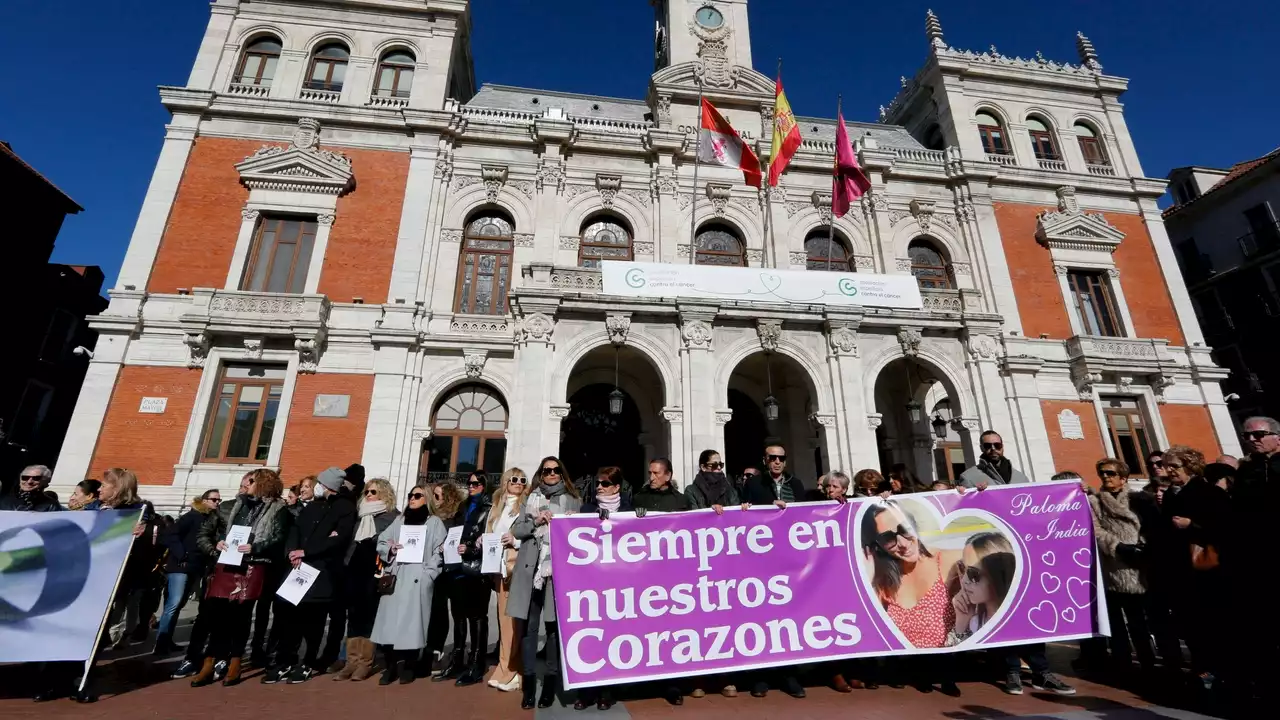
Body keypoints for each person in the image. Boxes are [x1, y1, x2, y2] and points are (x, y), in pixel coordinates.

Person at [190, 469, 288, 687]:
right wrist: (216, 547)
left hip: (254, 565)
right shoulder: (230, 506)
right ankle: (210, 660)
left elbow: (278, 537)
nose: (246, 485)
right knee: (216, 614)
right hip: (226, 563)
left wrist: (256, 547)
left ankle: (235, 661)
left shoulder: (278, 509)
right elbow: (204, 534)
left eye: (251, 481)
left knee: (241, 616)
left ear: (263, 484)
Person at [267, 466, 356, 684]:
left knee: (314, 621)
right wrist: (292, 552)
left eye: (320, 483)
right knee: (289, 619)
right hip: (297, 567)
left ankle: (307, 663)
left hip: (321, 572)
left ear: (327, 486)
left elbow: (338, 539)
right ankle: (286, 660)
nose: (316, 487)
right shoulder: (312, 506)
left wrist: (307, 551)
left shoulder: (345, 507)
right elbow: (295, 530)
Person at [993, 472, 1076, 696]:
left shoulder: (1036, 512)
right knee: (1008, 625)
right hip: (1004, 579)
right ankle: (1012, 671)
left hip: (1033, 577)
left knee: (1035, 625)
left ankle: (1042, 673)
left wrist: (1079, 494)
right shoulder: (995, 524)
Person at [511, 456, 582, 710]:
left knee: (553, 628)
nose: (551, 474)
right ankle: (529, 684)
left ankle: (550, 684)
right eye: (546, 470)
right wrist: (536, 521)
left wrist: (572, 522)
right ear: (540, 475)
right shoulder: (530, 499)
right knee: (530, 628)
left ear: (562, 473)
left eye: (555, 470)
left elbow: (582, 534)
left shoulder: (573, 500)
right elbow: (517, 530)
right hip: (531, 571)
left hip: (557, 572)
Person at [1158, 445, 1228, 687]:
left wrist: (1192, 525)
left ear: (1190, 466)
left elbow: (1225, 529)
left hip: (1204, 570)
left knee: (1210, 622)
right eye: (1166, 466)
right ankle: (1201, 668)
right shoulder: (1170, 493)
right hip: (1179, 570)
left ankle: (1216, 671)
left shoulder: (1209, 493)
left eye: (1174, 466)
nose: (1168, 471)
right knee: (1189, 624)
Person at [740, 444, 805, 699]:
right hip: (761, 558)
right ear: (765, 460)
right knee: (762, 618)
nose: (777, 462)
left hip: (790, 558)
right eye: (772, 458)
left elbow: (809, 511)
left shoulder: (796, 484)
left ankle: (789, 676)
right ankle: (760, 676)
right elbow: (744, 510)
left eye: (781, 458)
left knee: (789, 618)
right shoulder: (754, 484)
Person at [371, 483, 448, 685]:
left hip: (417, 578)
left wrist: (428, 575)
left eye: (418, 495)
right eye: (410, 495)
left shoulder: (434, 523)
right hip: (397, 575)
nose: (412, 498)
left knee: (413, 625)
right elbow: (382, 540)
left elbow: (439, 551)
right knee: (389, 623)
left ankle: (409, 666)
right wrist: (390, 548)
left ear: (427, 499)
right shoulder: (400, 520)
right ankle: (390, 666)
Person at [1085, 458, 1155, 674]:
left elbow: (1152, 526)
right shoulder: (1095, 502)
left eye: (1110, 473)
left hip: (1139, 567)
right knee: (1115, 623)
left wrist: (1142, 546)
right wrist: (1118, 546)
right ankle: (1122, 663)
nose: (1106, 477)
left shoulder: (1140, 499)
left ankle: (1148, 663)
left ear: (1123, 478)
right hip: (1112, 567)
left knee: (1139, 622)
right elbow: (1095, 530)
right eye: (1102, 473)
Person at [573, 466, 634, 711]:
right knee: (590, 635)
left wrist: (642, 518)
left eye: (606, 483)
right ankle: (586, 690)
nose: (600, 487)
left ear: (617, 487)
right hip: (592, 583)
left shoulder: (629, 511)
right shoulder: (586, 510)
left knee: (614, 637)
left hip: (619, 583)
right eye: (598, 483)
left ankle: (608, 690)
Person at [333, 478, 399, 681]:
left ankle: (365, 662)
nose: (369, 495)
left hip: (375, 571)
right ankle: (351, 661)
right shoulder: (360, 514)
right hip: (353, 568)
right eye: (367, 492)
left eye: (374, 492)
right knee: (353, 615)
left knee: (369, 616)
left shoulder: (392, 517)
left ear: (384, 494)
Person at [154, 488, 220, 655]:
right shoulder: (191, 516)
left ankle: (168, 640)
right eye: (214, 499)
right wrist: (182, 555)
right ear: (204, 500)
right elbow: (170, 535)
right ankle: (161, 643)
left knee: (180, 603)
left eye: (218, 500)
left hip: (195, 567)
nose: (217, 503)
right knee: (173, 604)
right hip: (180, 566)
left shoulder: (211, 520)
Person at [97, 468, 157, 649]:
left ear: (117, 488)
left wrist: (142, 532)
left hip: (124, 574)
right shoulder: (94, 508)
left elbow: (148, 542)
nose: (99, 489)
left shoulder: (138, 511)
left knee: (118, 610)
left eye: (103, 485)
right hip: (96, 573)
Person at [487, 468, 531, 692]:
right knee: (504, 623)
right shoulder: (497, 508)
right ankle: (505, 668)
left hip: (517, 570)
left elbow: (534, 537)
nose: (519, 483)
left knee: (515, 624)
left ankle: (514, 671)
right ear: (505, 482)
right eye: (514, 479)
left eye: (523, 480)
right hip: (499, 570)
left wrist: (515, 541)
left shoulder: (525, 508)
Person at [451, 471, 494, 686]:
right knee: (459, 614)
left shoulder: (489, 509)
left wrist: (470, 550)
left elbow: (489, 541)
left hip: (477, 569)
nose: (471, 486)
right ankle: (457, 659)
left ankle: (477, 664)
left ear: (485, 485)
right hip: (458, 567)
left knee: (477, 616)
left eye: (476, 483)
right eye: (469, 483)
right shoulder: (463, 507)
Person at [425, 482, 465, 675]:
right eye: (434, 495)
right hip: (437, 569)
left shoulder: (457, 516)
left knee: (458, 611)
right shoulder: (430, 517)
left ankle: (458, 652)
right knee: (437, 609)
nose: (435, 499)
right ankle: (435, 648)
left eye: (438, 496)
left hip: (454, 568)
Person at [949, 532, 1015, 644]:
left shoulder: (1020, 622)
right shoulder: (974, 622)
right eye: (962, 568)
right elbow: (953, 659)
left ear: (997, 574)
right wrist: (961, 623)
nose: (964, 580)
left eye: (973, 574)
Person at [959, 431, 1029, 488]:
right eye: (987, 446)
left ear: (1002, 447)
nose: (993, 449)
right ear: (981, 448)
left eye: (997, 445)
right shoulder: (969, 477)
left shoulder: (1021, 478)